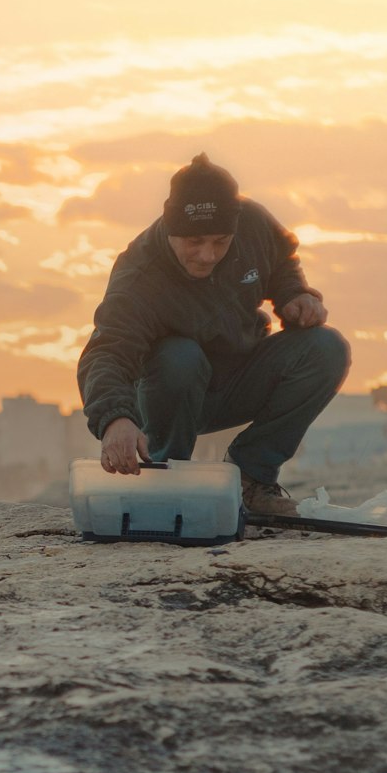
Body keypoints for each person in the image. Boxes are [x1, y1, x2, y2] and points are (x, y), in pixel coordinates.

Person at [76, 153, 350, 518]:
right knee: (179, 356)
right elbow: (106, 353)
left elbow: (281, 262)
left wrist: (293, 295)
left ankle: (251, 479)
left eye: (220, 241)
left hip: (240, 378)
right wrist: (115, 419)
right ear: (172, 228)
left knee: (327, 348)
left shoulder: (252, 223)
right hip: (170, 392)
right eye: (195, 241)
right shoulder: (139, 276)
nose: (208, 255)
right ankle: (167, 481)